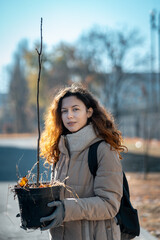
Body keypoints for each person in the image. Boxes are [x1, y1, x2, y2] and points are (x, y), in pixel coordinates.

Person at [40, 84, 127, 240]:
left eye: (75, 109)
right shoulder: (61, 149)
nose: (69, 116)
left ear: (89, 112)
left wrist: (66, 209)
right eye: (64, 111)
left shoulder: (103, 150)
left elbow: (109, 205)